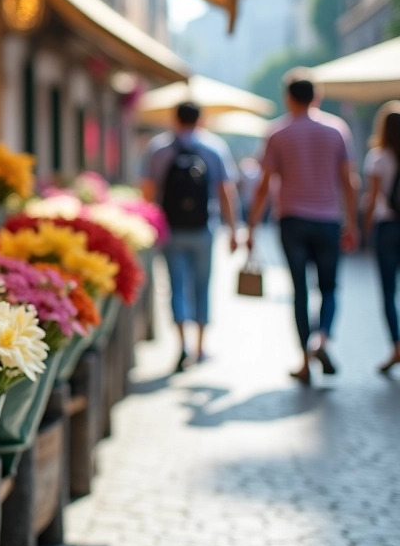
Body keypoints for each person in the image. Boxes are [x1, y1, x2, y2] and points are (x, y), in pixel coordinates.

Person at [246, 71, 359, 385]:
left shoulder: (277, 133)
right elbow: (349, 181)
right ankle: (322, 338)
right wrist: (352, 222)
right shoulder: (337, 130)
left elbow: (263, 186)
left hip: (292, 219)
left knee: (299, 290)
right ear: (317, 97)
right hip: (327, 219)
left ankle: (304, 362)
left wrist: (252, 226)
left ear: (288, 98)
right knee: (329, 287)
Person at [141, 101, 240, 372]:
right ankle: (200, 345)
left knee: (175, 286)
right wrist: (233, 230)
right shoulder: (214, 147)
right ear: (201, 120)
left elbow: (148, 191)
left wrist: (149, 226)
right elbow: (225, 191)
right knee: (202, 285)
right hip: (204, 228)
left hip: (170, 228)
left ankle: (181, 343)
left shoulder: (159, 148)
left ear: (174, 119)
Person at [362, 101, 400, 374]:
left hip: (387, 227)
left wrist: (363, 229)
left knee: (388, 292)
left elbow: (372, 198)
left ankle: (397, 345)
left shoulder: (378, 157)